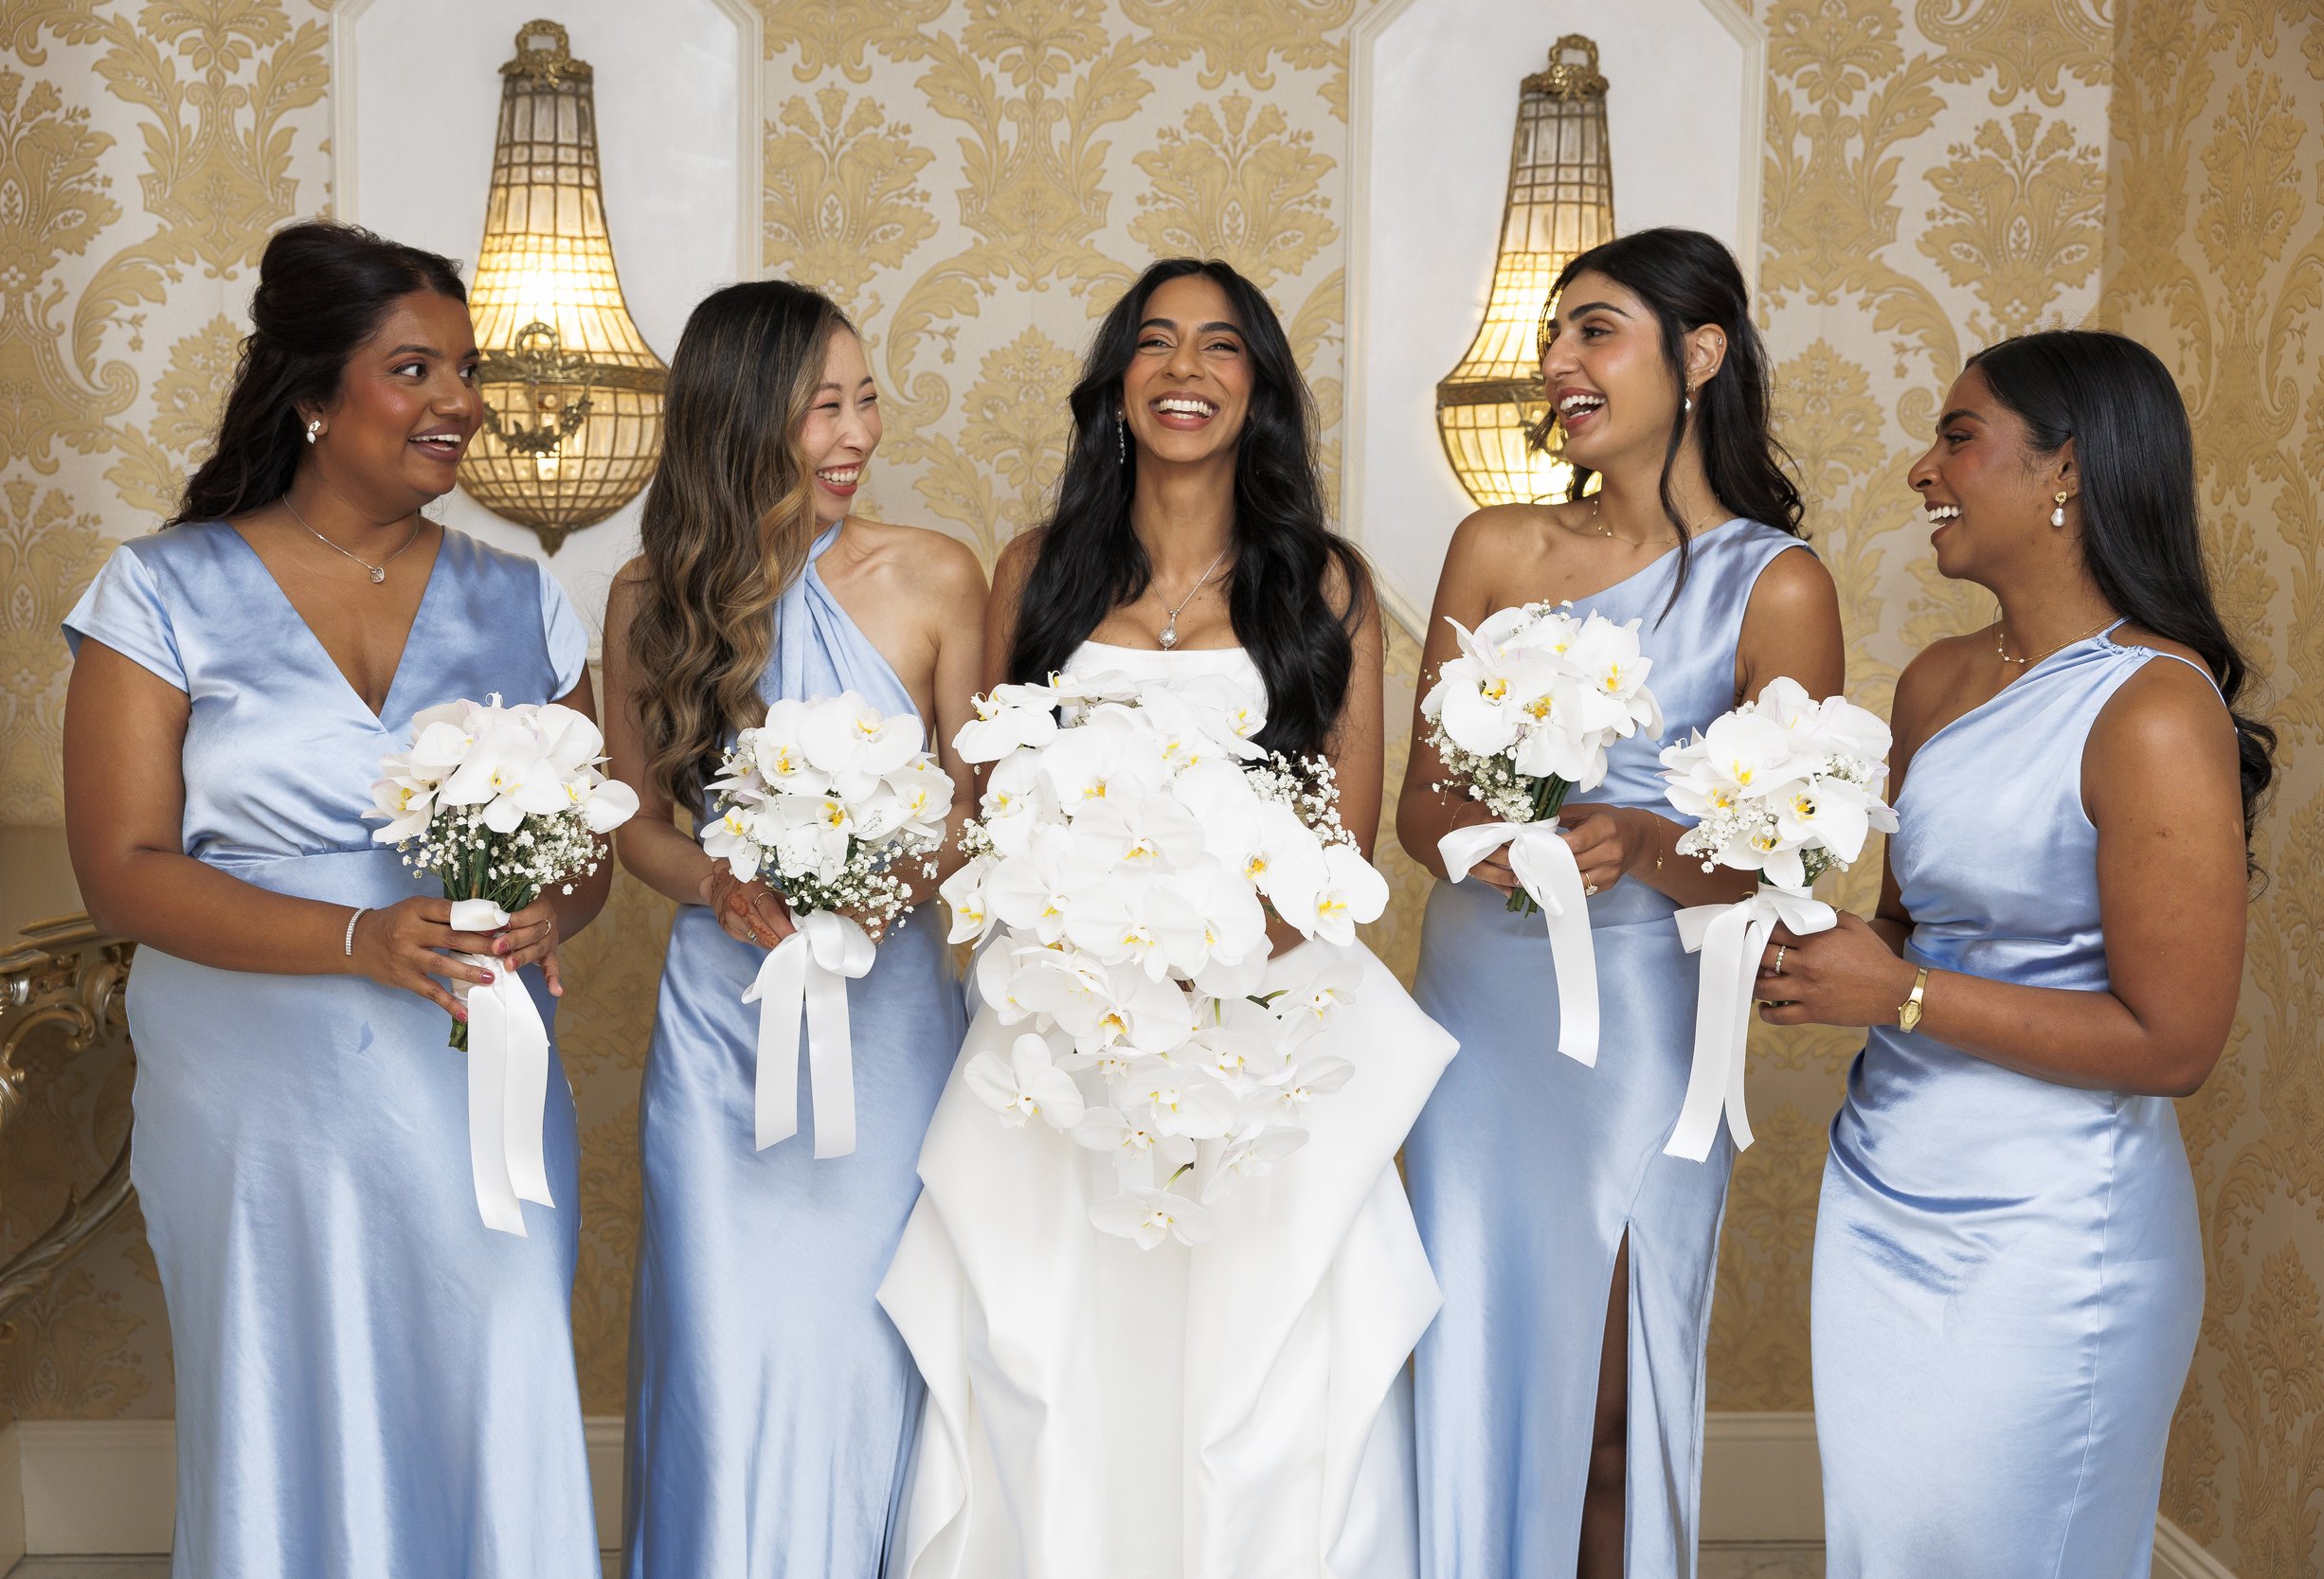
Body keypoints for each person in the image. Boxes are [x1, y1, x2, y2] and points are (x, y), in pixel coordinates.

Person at [878, 258, 1456, 1578]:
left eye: (1219, 348)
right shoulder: (1038, 570)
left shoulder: (1327, 586)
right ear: (1116, 384)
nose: (1183, 370)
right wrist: (1094, 978)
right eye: (1154, 343)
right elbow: (989, 803)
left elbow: (1341, 847)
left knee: (1255, 1383)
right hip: (1061, 1033)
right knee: (1049, 1359)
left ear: (1259, 393)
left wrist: (1193, 980)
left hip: (1256, 1038)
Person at [62, 220, 605, 1577]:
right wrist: (353, 936)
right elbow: (119, 869)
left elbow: (589, 834)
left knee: (494, 1350)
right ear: (312, 394)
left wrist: (560, 907)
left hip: (471, 1058)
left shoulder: (522, 596)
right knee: (280, 1375)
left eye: (464, 372)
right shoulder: (163, 588)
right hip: (254, 1072)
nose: (460, 403)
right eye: (415, 370)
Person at [1765, 330, 2269, 1576]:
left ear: (2067, 472)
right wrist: (1797, 933)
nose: (1919, 469)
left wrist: (1904, 993)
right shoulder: (1938, 683)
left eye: (1958, 436)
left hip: (2048, 1236)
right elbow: (1905, 929)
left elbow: (2178, 1044)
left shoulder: (2153, 709)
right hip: (1883, 1197)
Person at [1396, 227, 1846, 1579]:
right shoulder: (1492, 545)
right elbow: (1419, 804)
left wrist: (1647, 843)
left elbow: (1796, 863)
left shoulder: (1778, 584)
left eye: (1594, 330)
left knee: (1608, 1400)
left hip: (1644, 1018)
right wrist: (1483, 845)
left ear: (1698, 353)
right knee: (1460, 1343)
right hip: (1480, 1004)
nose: (1557, 362)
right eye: (1555, 336)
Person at [604, 278, 986, 1578]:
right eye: (824, 405)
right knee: (729, 1332)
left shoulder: (936, 574)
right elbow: (634, 819)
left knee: (877, 1324)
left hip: (891, 1025)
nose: (857, 433)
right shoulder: (650, 595)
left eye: (866, 398)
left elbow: (979, 807)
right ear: (741, 417)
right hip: (725, 1019)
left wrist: (898, 879)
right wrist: (717, 882)